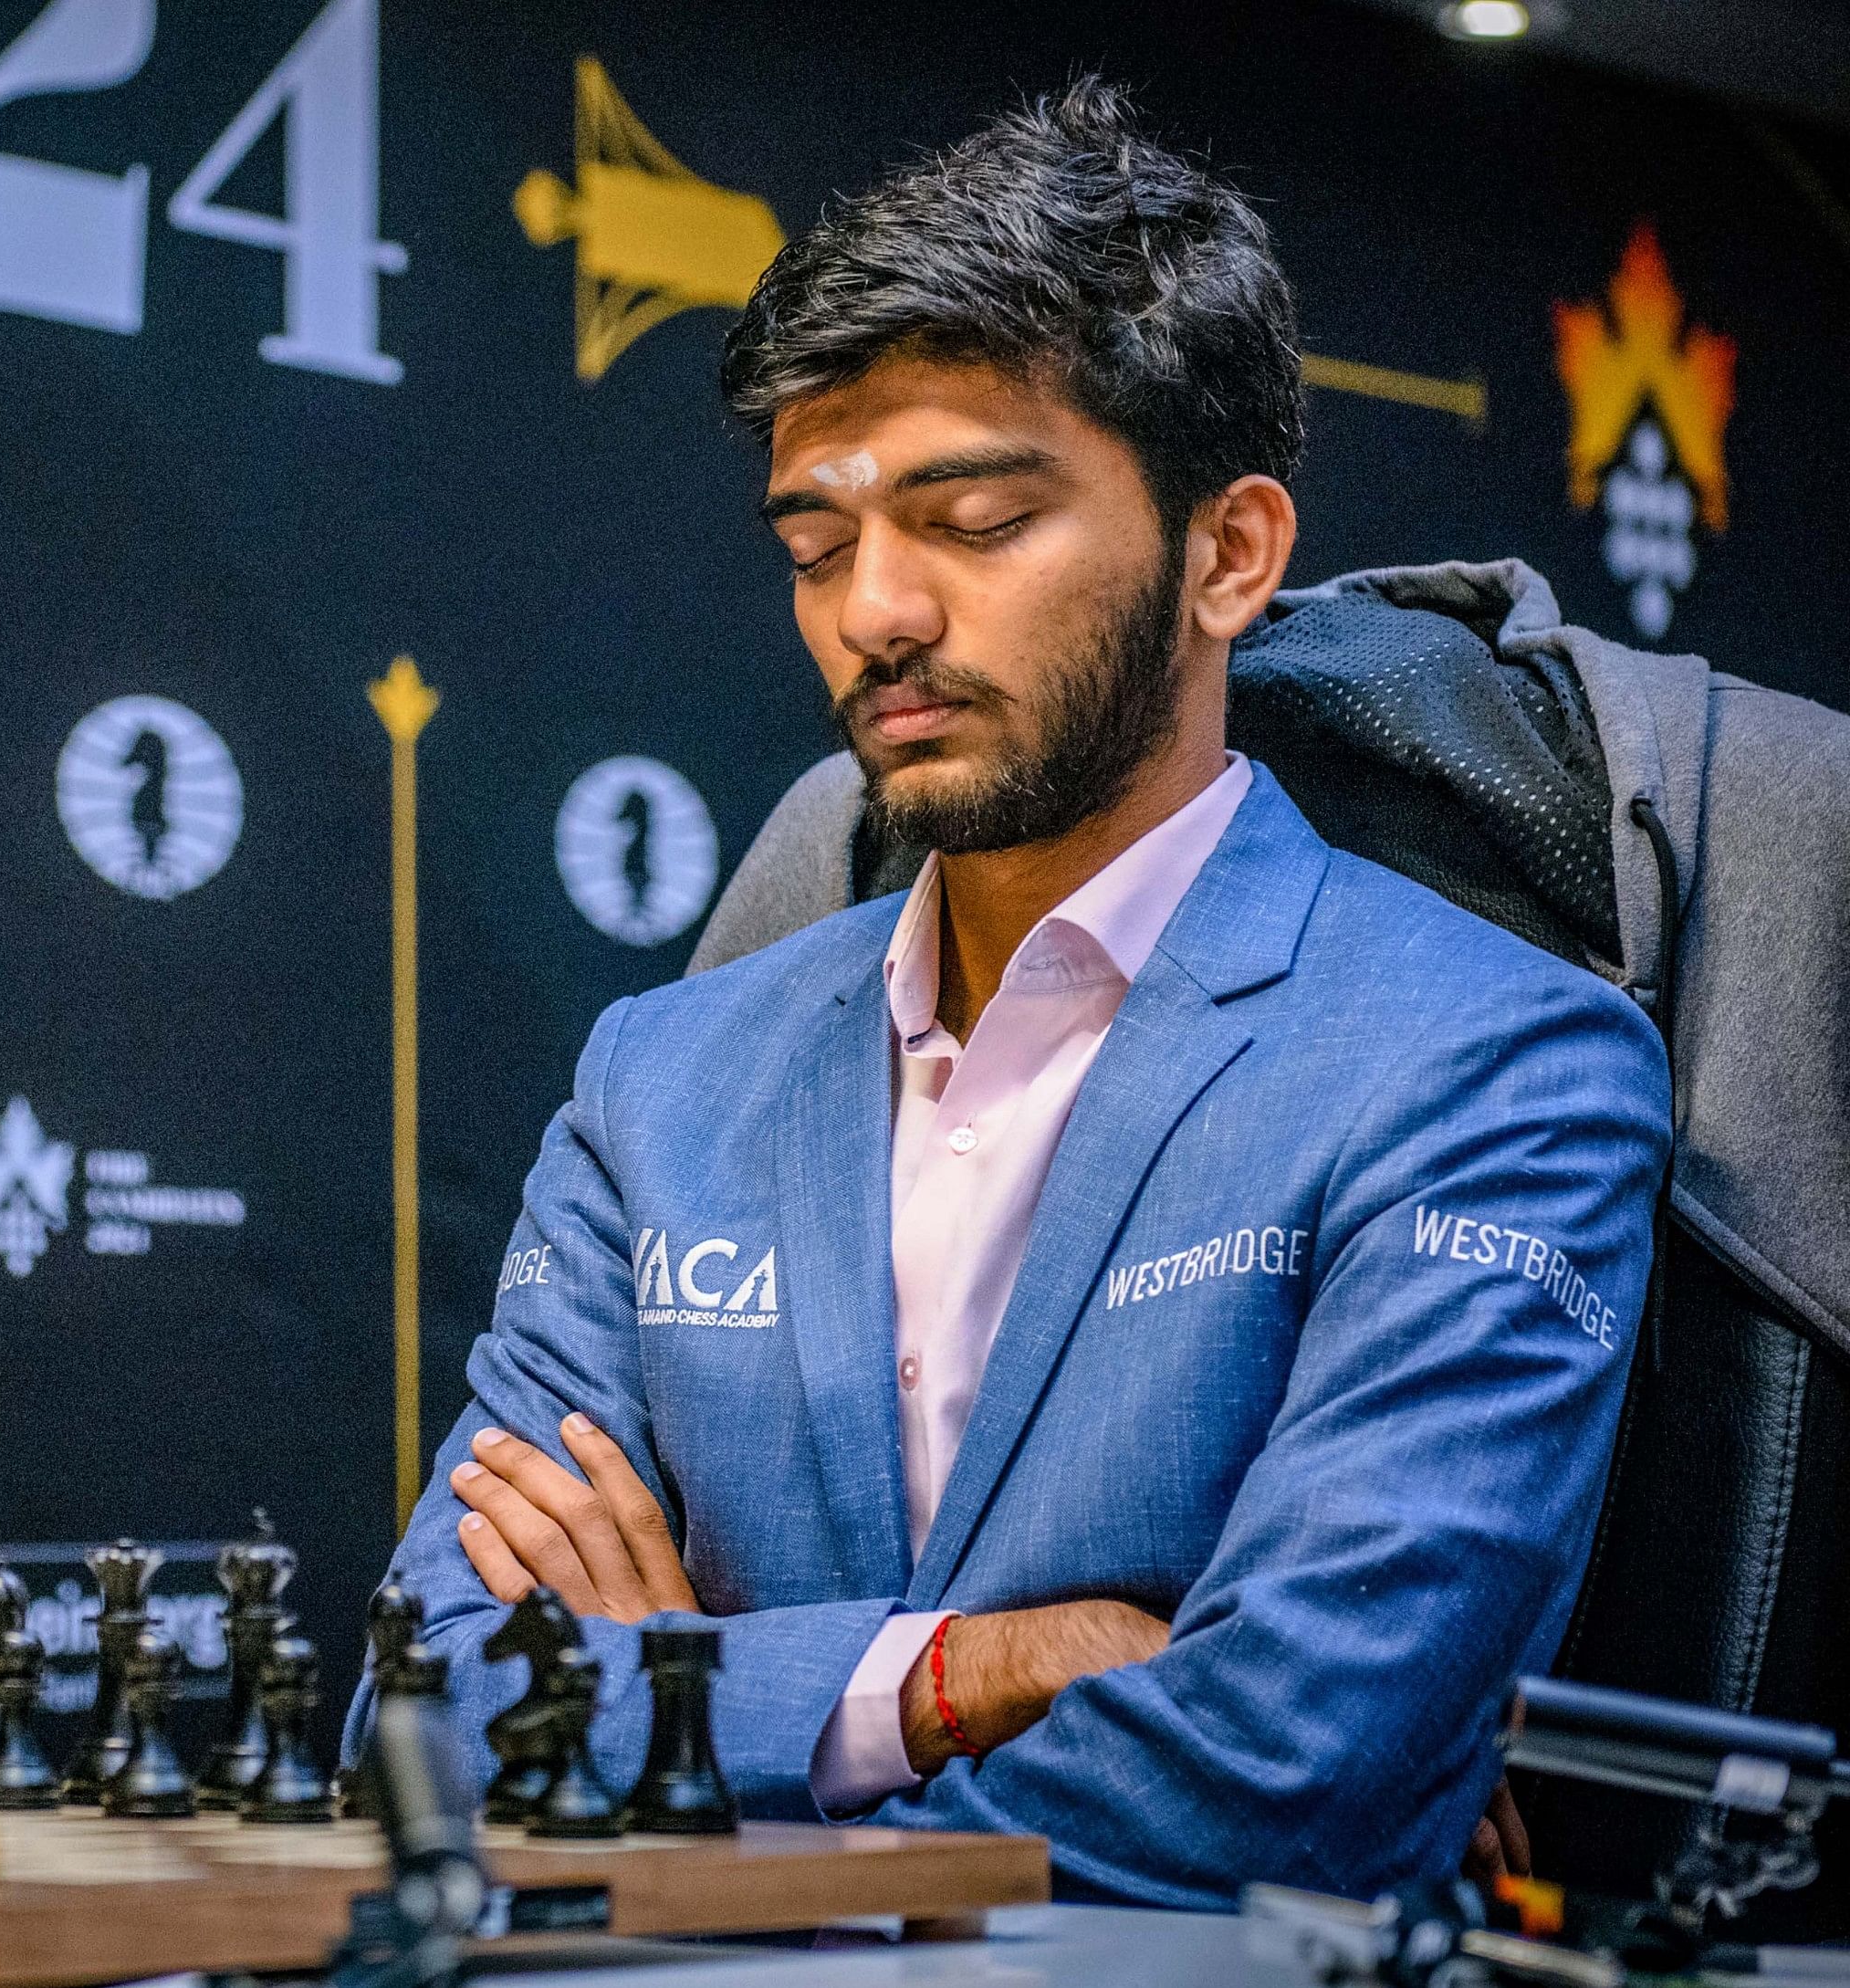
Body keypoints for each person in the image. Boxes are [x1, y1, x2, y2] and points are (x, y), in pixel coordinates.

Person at [362, 80, 1671, 1907]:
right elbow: (421, 1700)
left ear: (1227, 555)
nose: (873, 613)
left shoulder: (1498, 1066)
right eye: (814, 547)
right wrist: (970, 1673)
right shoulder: (662, 1080)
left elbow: (1290, 1778)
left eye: (971, 520)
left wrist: (695, 1742)